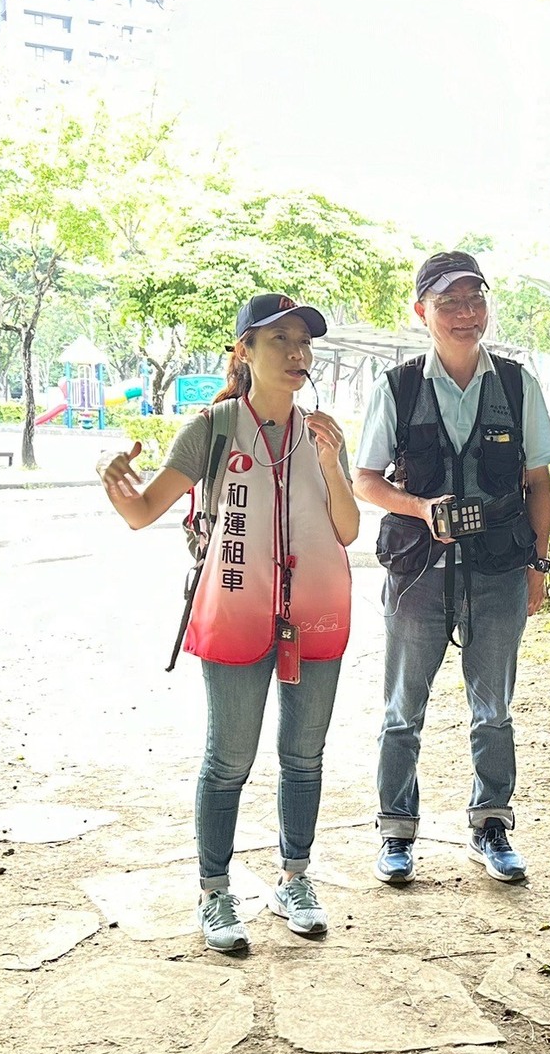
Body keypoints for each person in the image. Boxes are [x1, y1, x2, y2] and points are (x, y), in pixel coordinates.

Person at [98, 293, 359, 955]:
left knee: (304, 755)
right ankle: (215, 891)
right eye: (280, 341)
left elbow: (348, 527)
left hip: (317, 611)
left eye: (305, 342)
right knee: (229, 757)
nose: (298, 353)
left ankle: (294, 878)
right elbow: (142, 511)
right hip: (236, 609)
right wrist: (116, 482)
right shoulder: (213, 427)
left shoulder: (324, 431)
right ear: (243, 351)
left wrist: (330, 464)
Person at [355, 251, 550, 887]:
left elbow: (537, 481)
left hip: (499, 567)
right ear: (422, 311)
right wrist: (419, 507)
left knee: (494, 707)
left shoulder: (516, 382)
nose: (467, 314)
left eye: (476, 300)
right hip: (419, 571)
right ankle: (396, 831)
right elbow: (365, 481)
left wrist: (538, 564)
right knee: (401, 708)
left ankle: (492, 825)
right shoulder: (397, 387)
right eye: (450, 303)